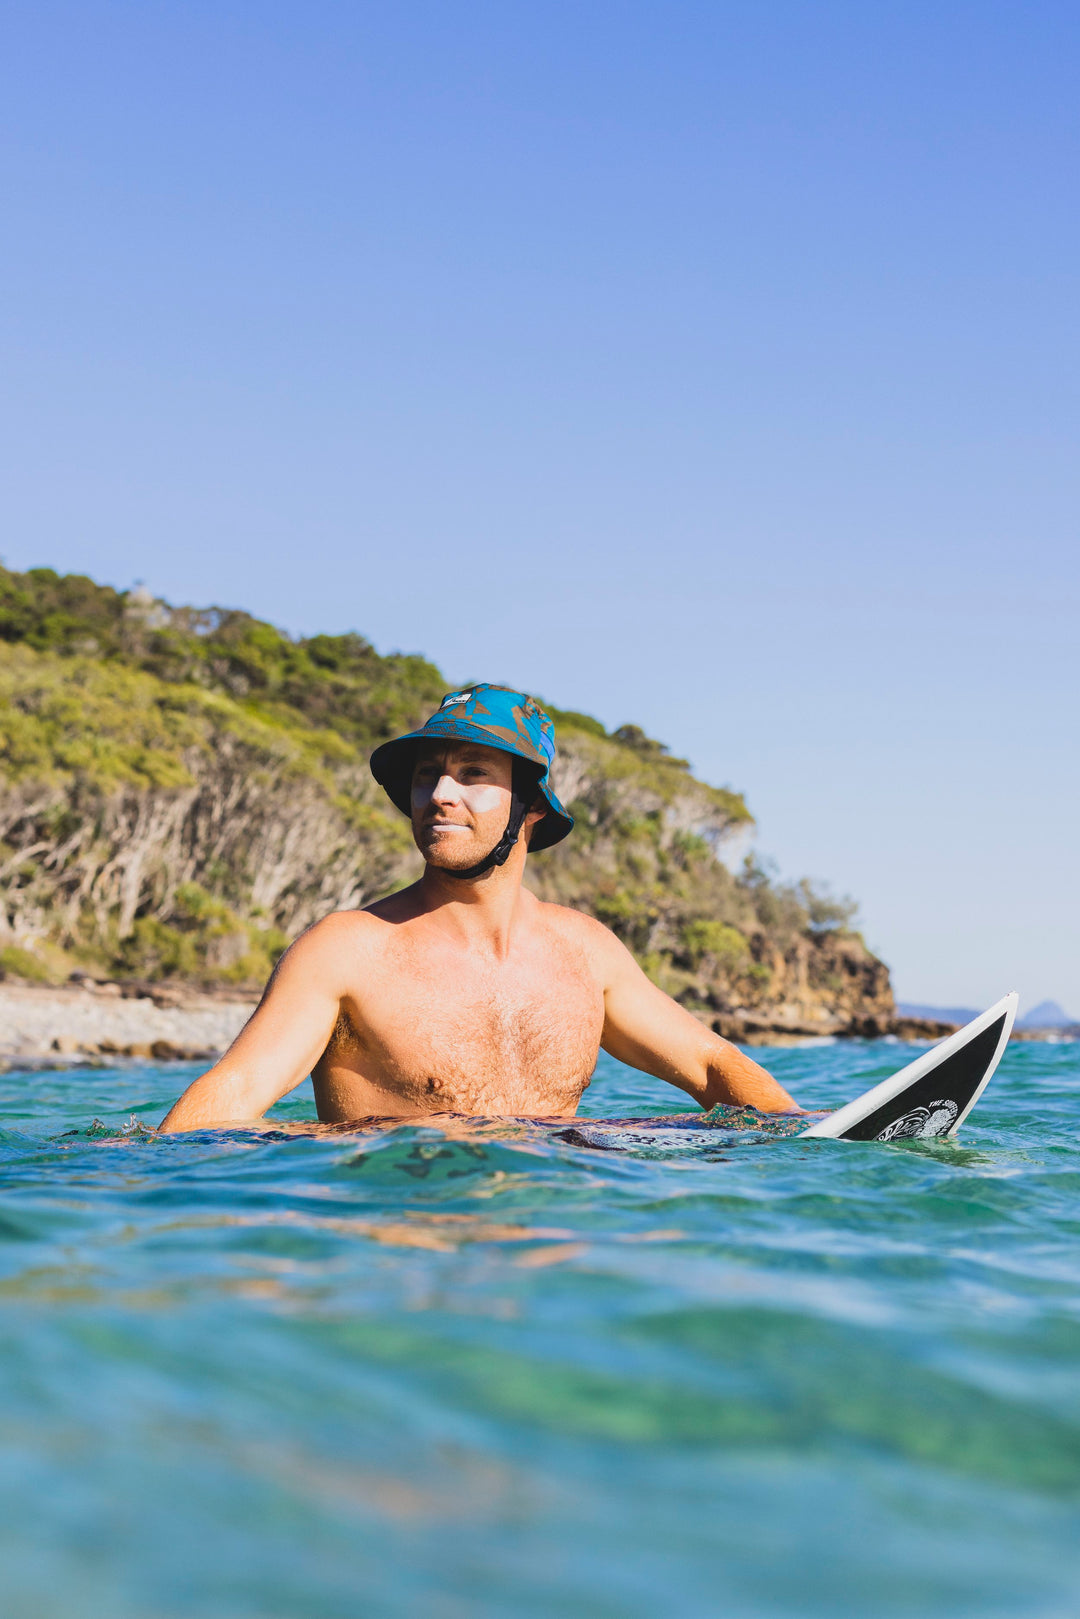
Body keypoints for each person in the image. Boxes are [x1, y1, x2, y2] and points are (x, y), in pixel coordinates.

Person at [160, 685, 798, 1131]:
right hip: (408, 1260)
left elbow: (714, 1065)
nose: (439, 793)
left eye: (472, 773)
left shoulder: (584, 952)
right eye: (426, 774)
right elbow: (227, 1104)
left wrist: (809, 1150)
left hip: (554, 1261)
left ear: (533, 806)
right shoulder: (349, 949)